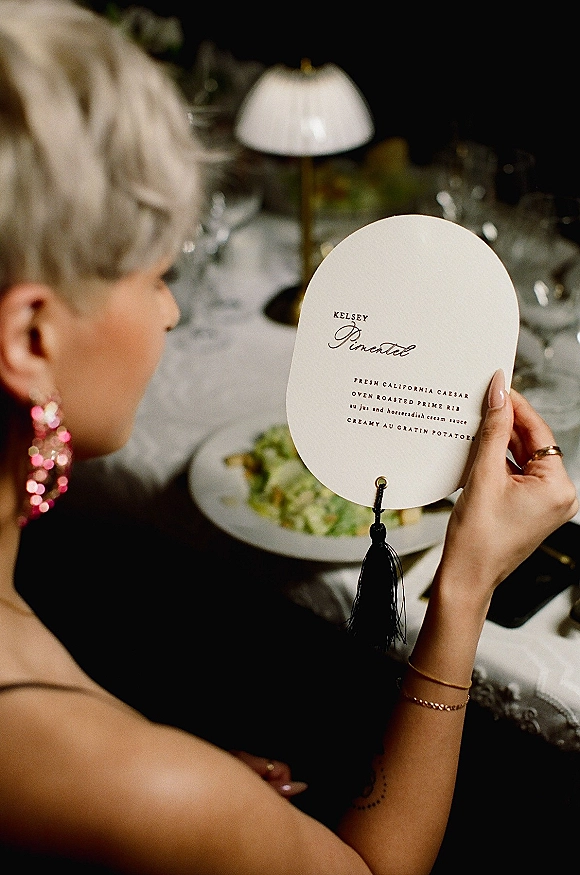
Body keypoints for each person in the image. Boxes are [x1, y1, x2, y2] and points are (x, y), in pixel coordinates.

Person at [0, 1, 577, 873]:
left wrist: (172, 792)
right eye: (156, 274)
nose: (173, 309)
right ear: (31, 338)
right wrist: (465, 584)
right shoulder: (120, 781)